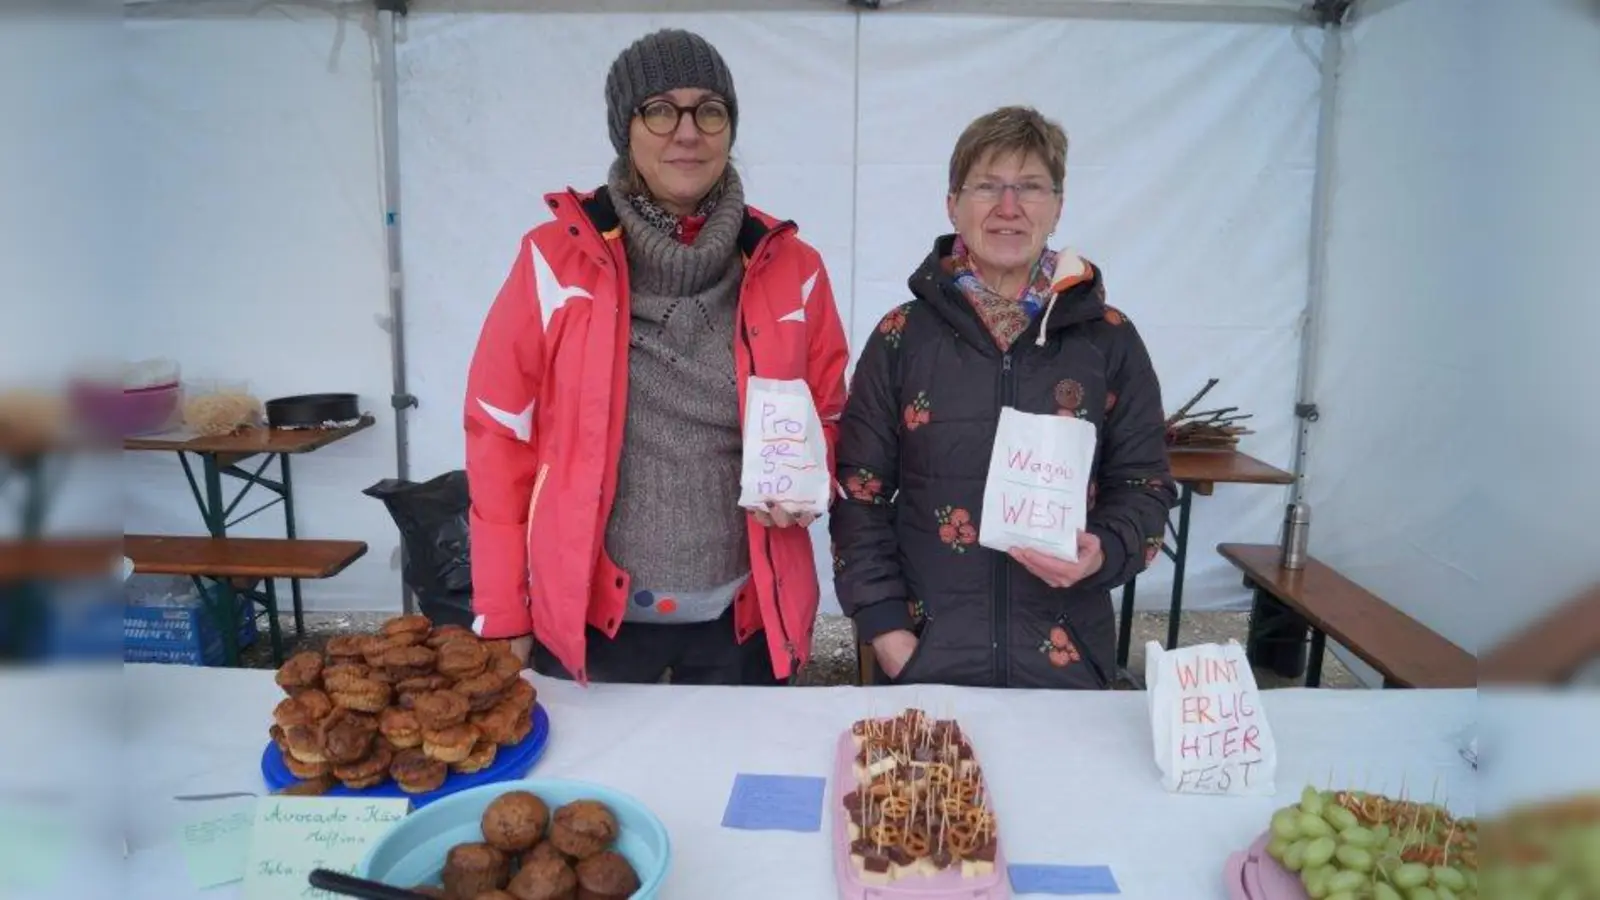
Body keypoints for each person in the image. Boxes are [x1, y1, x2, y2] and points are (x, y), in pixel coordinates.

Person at [463, 28, 850, 687]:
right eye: (660, 109)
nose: (687, 131)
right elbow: (500, 434)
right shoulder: (554, 260)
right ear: (626, 129)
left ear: (730, 127)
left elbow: (829, 412)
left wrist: (812, 483)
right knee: (597, 794)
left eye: (710, 109)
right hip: (591, 627)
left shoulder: (792, 267)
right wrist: (504, 612)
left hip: (746, 623)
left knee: (734, 788)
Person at [830, 106, 1178, 689]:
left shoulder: (1108, 338)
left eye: (1030, 188)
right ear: (952, 204)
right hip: (928, 661)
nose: (1009, 207)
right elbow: (858, 492)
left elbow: (1146, 486)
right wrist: (889, 633)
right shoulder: (902, 337)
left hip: (1066, 664)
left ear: (1058, 205)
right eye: (987, 186)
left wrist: (1105, 550)